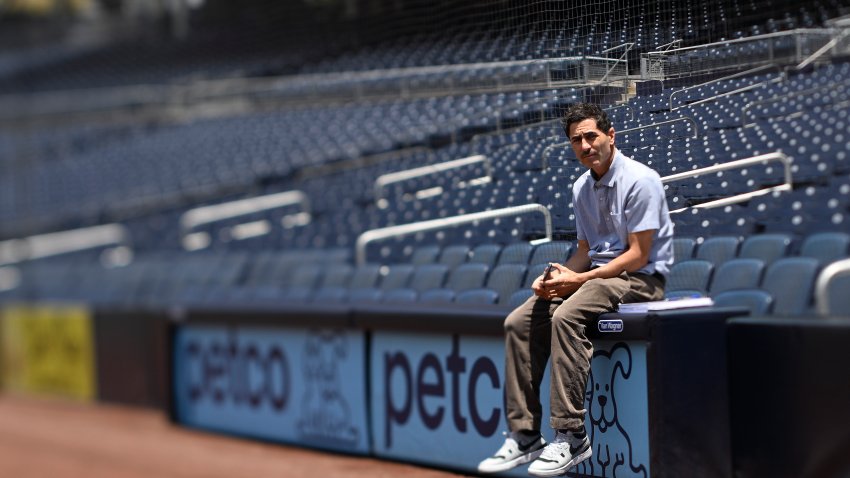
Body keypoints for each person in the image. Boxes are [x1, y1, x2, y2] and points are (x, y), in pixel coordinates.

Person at [477, 103, 674, 477]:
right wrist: (556, 277)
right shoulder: (580, 187)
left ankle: (571, 434)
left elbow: (638, 254)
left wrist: (579, 281)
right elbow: (586, 252)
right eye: (576, 140)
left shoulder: (640, 179)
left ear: (610, 136)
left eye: (591, 136)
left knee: (567, 314)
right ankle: (524, 435)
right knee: (519, 321)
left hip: (641, 279)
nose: (584, 145)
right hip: (600, 277)